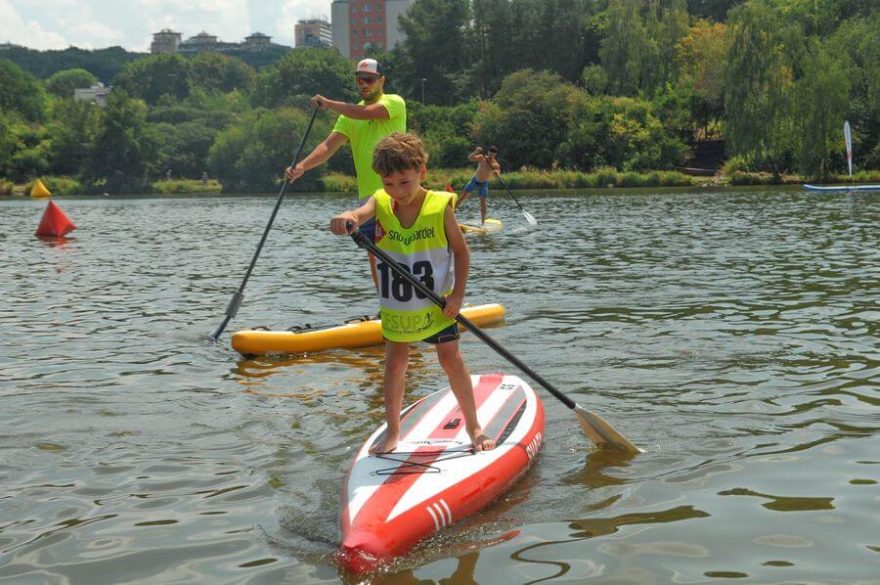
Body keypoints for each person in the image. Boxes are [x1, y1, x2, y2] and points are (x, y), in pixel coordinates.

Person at [329, 132, 495, 455]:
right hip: (398, 307)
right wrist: (347, 218)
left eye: (405, 182)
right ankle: (393, 432)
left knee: (450, 360)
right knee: (395, 366)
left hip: (438, 305)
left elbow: (462, 253)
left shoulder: (439, 206)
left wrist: (457, 297)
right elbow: (359, 214)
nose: (398, 191)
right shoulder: (380, 201)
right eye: (389, 183)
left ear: (422, 172)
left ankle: (474, 427)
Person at [287, 58, 406, 246]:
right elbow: (327, 147)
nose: (364, 84)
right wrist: (301, 166)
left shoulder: (394, 102)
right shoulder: (348, 117)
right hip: (367, 200)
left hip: (397, 194)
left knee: (401, 254)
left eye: (370, 79)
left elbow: (365, 113)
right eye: (360, 79)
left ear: (382, 80)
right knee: (375, 257)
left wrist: (328, 104)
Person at [455, 145, 501, 225]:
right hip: (475, 180)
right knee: (463, 196)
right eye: (490, 154)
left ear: (495, 155)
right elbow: (470, 158)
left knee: (483, 203)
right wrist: (475, 152)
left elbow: (497, 173)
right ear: (488, 153)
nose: (491, 156)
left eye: (493, 155)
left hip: (484, 184)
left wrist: (496, 173)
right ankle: (452, 212)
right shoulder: (481, 158)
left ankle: (483, 223)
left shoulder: (495, 164)